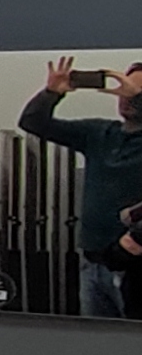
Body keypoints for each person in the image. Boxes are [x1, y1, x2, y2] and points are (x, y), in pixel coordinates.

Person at [20, 58, 142, 319]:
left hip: (136, 266)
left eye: (135, 90)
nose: (126, 95)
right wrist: (51, 93)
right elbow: (32, 122)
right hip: (93, 264)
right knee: (94, 339)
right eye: (124, 87)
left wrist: (137, 97)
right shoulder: (98, 132)